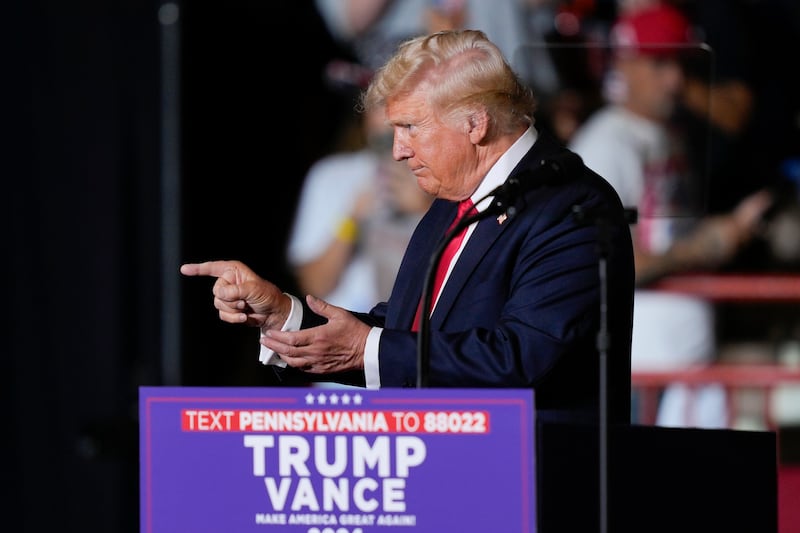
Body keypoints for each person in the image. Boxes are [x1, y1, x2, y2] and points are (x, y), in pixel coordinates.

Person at [181, 29, 635, 425]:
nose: (398, 150)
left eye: (410, 127)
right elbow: (406, 330)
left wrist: (367, 349)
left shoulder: (571, 206)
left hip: (534, 487)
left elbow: (521, 358)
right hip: (436, 477)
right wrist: (285, 317)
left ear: (475, 124)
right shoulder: (452, 201)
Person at [568, 2, 774, 427]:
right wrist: (707, 245)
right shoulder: (606, 144)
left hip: (685, 372)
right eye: (659, 63)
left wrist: (727, 234)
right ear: (624, 64)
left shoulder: (670, 136)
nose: (676, 80)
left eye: (681, 63)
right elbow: (600, 263)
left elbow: (664, 238)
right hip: (639, 375)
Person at [287, 104, 433, 313]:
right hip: (345, 328)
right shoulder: (331, 175)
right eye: (379, 105)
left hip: (411, 332)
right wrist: (352, 220)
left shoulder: (436, 174)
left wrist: (424, 210)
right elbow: (314, 286)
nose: (388, 119)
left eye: (399, 104)